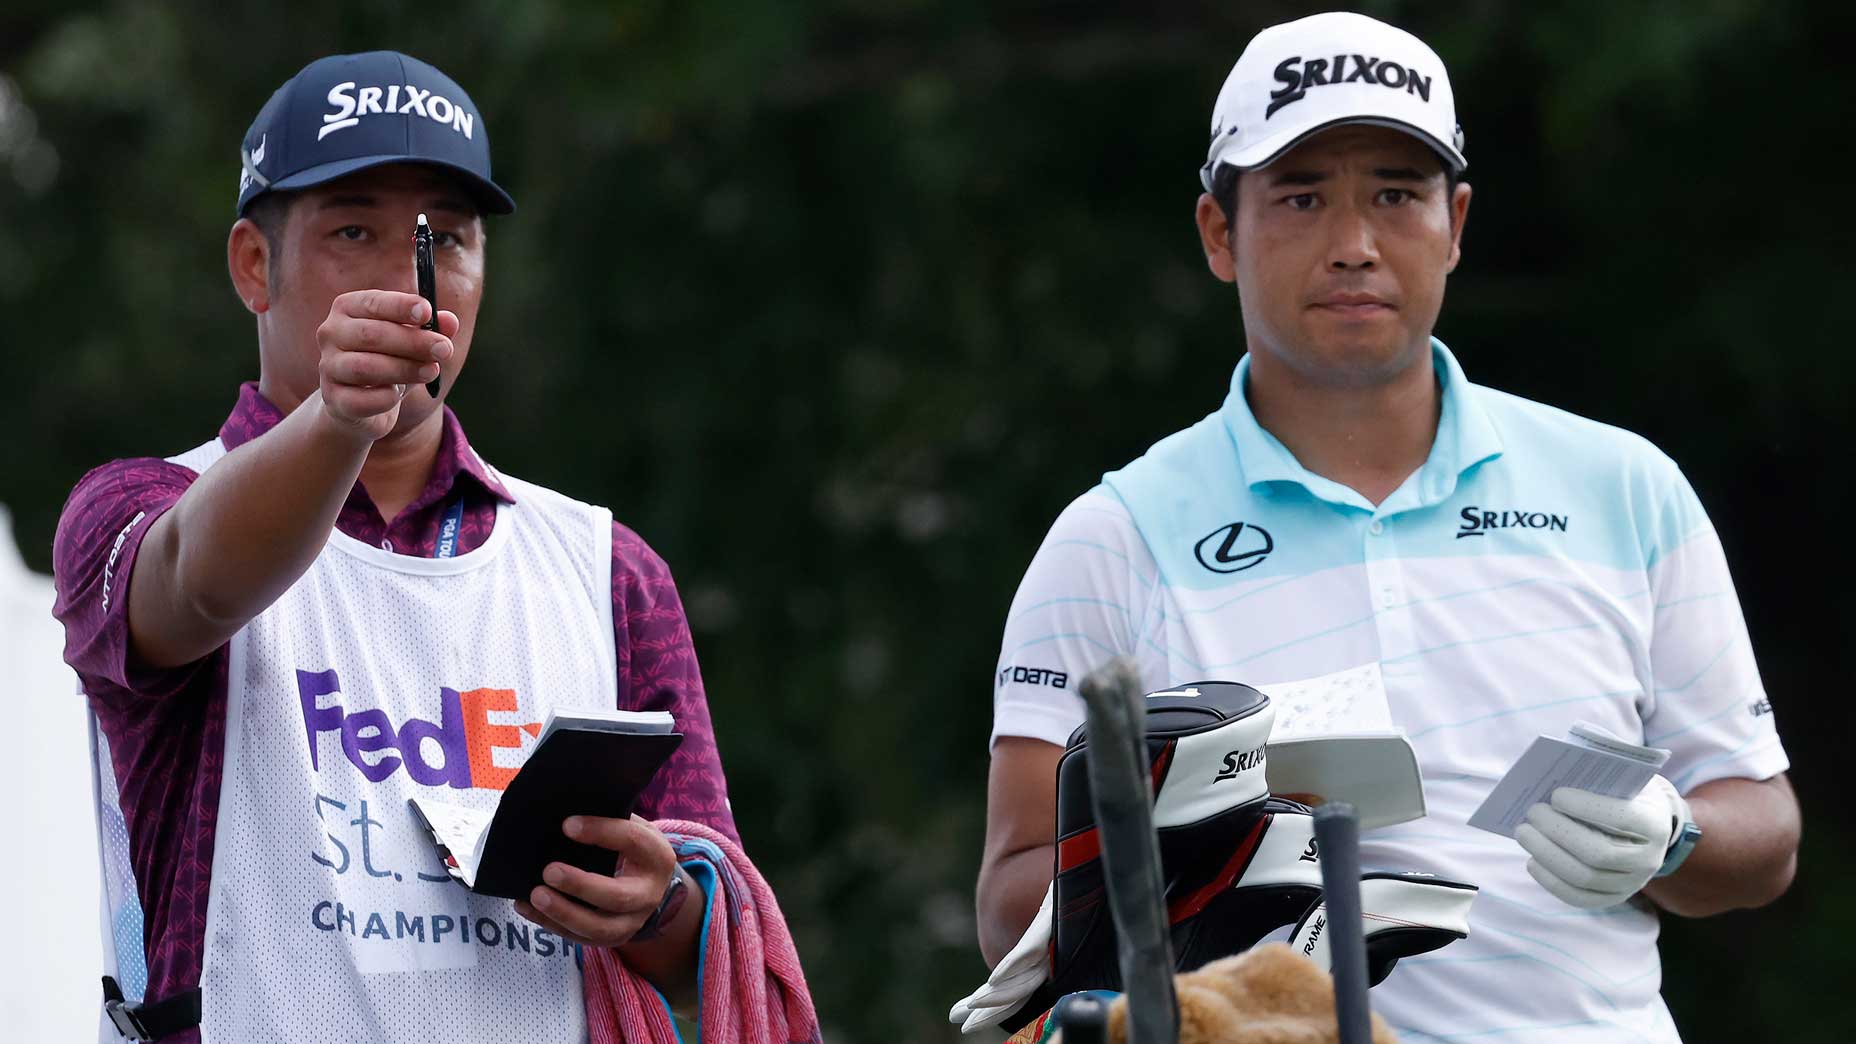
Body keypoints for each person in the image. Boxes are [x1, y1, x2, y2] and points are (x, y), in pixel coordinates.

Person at [974, 13, 1798, 1043]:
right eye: (1301, 197)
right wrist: (1205, 857)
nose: (1354, 245)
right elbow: (1007, 905)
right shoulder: (1113, 538)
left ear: (1454, 224)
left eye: (1396, 195)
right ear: (1219, 234)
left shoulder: (1626, 488)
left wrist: (1674, 836)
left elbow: (1763, 832)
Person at [52, 52, 813, 1043]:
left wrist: (657, 904)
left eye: (444, 238)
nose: (404, 275)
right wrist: (340, 420)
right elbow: (192, 586)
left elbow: (702, 944)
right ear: (253, 266)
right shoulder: (133, 507)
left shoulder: (608, 568)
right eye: (352, 230)